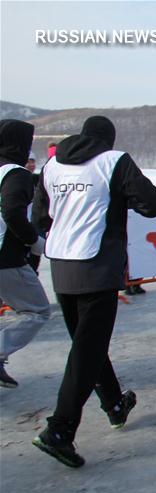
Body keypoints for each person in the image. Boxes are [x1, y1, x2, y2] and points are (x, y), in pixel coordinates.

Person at [30, 116, 156, 467]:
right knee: (87, 349)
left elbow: (40, 218)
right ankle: (60, 429)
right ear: (108, 139)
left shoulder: (52, 164)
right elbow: (152, 204)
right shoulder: (114, 161)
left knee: (87, 344)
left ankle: (115, 404)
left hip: (61, 264)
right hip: (97, 265)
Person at [0, 119, 50, 388]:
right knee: (36, 311)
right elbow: (10, 212)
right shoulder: (14, 174)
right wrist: (33, 240)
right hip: (6, 258)